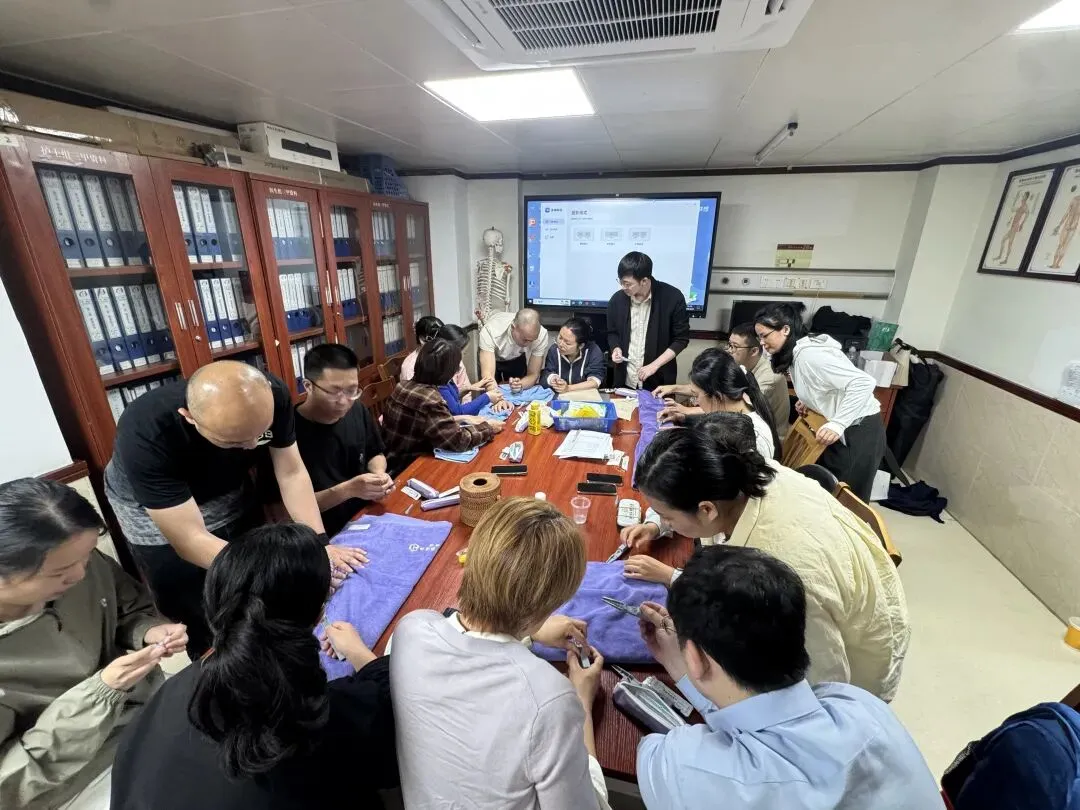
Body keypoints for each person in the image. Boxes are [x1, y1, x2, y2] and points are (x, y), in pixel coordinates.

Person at [623, 414, 910, 701]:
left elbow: (822, 681)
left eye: (666, 517)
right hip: (846, 608)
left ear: (706, 509)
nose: (666, 524)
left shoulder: (780, 572)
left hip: (850, 682)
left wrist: (688, 673)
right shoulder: (749, 475)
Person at [111, 523, 397, 810]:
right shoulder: (314, 717)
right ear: (318, 613)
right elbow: (395, 729)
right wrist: (359, 653)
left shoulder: (175, 688)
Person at [635, 545, 942, 810]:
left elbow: (613, 769)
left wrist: (687, 671)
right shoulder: (860, 705)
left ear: (694, 656)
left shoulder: (684, 768)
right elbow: (752, 714)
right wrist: (684, 668)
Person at [104, 360, 365, 657]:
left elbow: (291, 472)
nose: (253, 447)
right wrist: (275, 570)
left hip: (229, 490)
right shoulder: (147, 431)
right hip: (154, 513)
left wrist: (320, 543)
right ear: (189, 417)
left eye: (261, 434)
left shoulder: (270, 395)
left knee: (256, 596)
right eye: (237, 440)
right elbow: (189, 539)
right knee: (202, 612)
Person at [390, 497, 610, 809]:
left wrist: (530, 631)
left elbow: (470, 640)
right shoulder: (550, 700)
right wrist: (582, 700)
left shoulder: (411, 629)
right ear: (552, 603)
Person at [0, 478, 186, 810]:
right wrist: (100, 694)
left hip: (144, 716)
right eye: (59, 573)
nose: (79, 576)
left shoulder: (75, 560)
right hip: (69, 784)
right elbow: (8, 785)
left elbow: (126, 606)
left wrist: (148, 631)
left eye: (87, 556)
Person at [754, 304, 885, 501]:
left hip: (858, 430)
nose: (762, 342)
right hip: (843, 429)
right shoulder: (797, 353)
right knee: (828, 493)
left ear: (785, 330)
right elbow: (825, 386)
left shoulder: (810, 355)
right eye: (759, 337)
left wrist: (838, 423)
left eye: (765, 335)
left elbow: (863, 383)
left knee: (847, 499)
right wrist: (810, 401)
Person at [295, 343, 394, 537]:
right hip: (320, 533)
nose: (344, 401)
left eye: (352, 390)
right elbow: (281, 511)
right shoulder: (288, 433)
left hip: (364, 516)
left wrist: (378, 476)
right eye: (334, 391)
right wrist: (348, 490)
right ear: (308, 386)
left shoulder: (356, 409)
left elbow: (375, 453)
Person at [382, 338, 504, 474]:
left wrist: (462, 418)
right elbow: (458, 441)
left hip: (391, 459)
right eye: (455, 368)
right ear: (445, 372)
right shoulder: (430, 399)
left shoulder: (402, 385)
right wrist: (488, 428)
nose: (457, 371)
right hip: (409, 467)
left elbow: (429, 421)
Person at [653, 348, 781, 460]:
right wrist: (683, 419)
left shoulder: (750, 439)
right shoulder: (742, 408)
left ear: (717, 397)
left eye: (696, 396)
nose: (696, 402)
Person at [606, 251, 690, 391]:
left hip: (659, 382)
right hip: (626, 380)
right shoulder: (617, 300)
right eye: (621, 282)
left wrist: (654, 365)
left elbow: (681, 339)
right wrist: (616, 348)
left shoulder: (672, 298)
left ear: (644, 281)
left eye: (628, 284)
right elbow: (612, 333)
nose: (623, 287)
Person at [400, 316, 494, 402]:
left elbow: (464, 389)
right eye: (438, 340)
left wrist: (465, 406)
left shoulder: (451, 356)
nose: (443, 346)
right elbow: (423, 403)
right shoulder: (411, 367)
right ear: (422, 339)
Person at [726, 321, 790, 441]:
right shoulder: (744, 366)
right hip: (748, 429)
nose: (729, 350)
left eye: (734, 346)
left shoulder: (769, 379)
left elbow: (740, 411)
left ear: (754, 351)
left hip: (767, 439)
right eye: (729, 345)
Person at [478, 307, 550, 392]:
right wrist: (495, 396)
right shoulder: (490, 331)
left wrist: (520, 385)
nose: (528, 344)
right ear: (513, 327)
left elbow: (533, 374)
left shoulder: (541, 335)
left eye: (532, 340)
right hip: (492, 355)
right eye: (525, 339)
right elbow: (488, 377)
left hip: (517, 357)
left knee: (517, 391)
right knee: (487, 393)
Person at [541, 317, 607, 393]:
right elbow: (546, 374)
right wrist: (552, 378)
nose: (560, 344)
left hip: (584, 396)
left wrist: (568, 388)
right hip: (559, 397)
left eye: (567, 343)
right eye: (560, 337)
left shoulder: (593, 351)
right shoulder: (554, 350)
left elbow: (595, 381)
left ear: (581, 345)